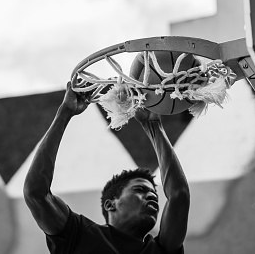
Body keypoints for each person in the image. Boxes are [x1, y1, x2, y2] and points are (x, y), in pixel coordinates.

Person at [24, 82, 190, 254]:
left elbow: (179, 194)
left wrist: (154, 126)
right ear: (110, 204)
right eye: (140, 189)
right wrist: (65, 112)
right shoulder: (79, 234)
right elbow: (36, 193)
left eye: (154, 194)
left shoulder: (161, 249)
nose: (151, 196)